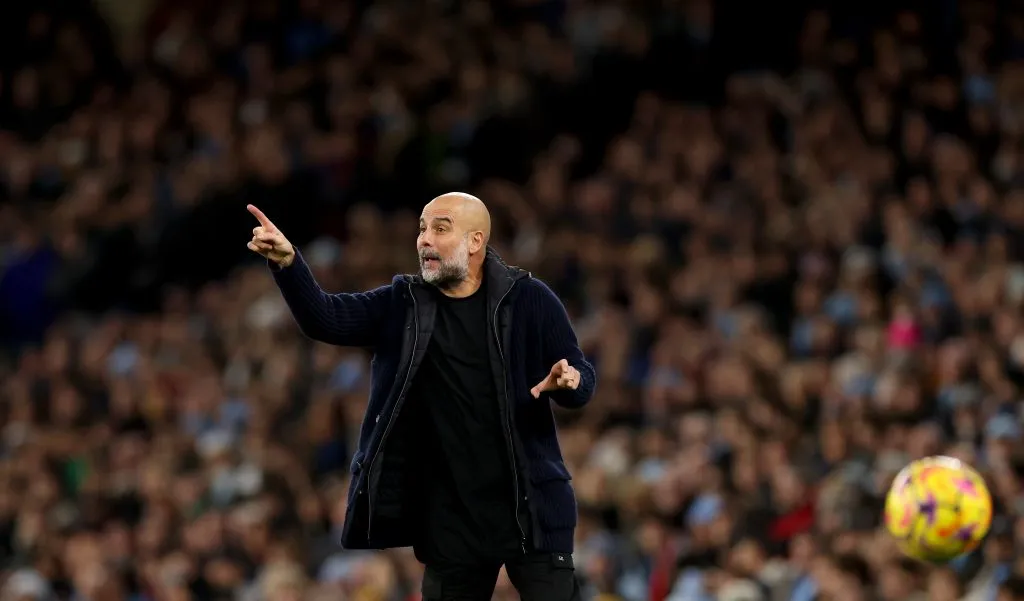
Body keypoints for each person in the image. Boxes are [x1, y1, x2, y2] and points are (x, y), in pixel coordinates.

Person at [246, 193, 596, 601]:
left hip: (532, 511)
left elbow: (581, 375)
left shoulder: (530, 299)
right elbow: (327, 318)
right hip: (453, 522)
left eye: (440, 229)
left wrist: (570, 382)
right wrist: (289, 265)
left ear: (475, 241)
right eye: (422, 228)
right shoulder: (403, 304)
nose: (425, 239)